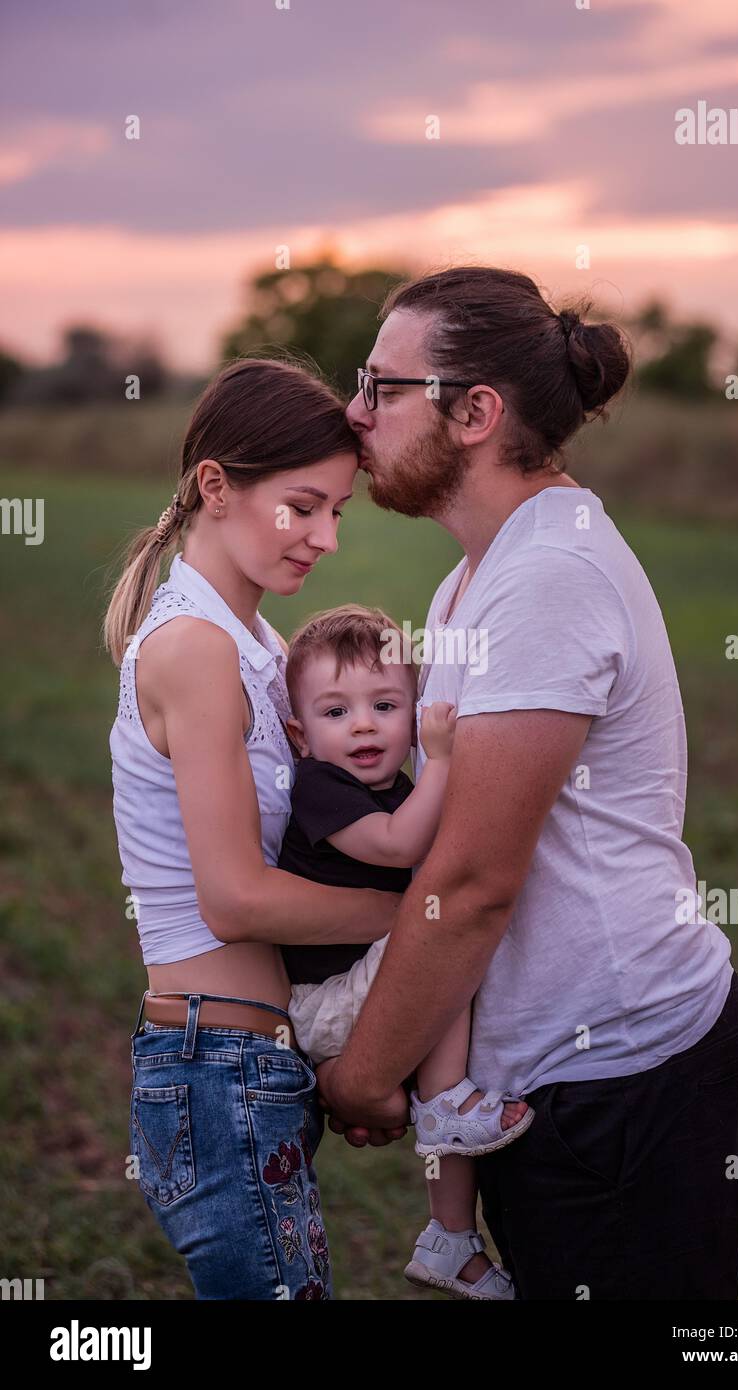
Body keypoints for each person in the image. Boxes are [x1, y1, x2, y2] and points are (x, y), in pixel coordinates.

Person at [316, 266, 738, 1300]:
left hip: (626, 1074)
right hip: (550, 1077)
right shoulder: (476, 575)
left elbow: (473, 878)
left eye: (381, 386)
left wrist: (363, 1070)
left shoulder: (548, 576)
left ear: (475, 412)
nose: (354, 412)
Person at [104, 357, 406, 1300]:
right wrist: (424, 917)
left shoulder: (265, 648)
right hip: (214, 1065)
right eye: (302, 506)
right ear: (215, 486)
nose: (324, 537)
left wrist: (354, 1052)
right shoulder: (194, 648)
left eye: (337, 513)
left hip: (257, 1059)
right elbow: (235, 898)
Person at [276, 603, 532, 1298]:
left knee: (445, 962)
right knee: (443, 942)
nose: (362, 724)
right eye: (335, 712)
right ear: (299, 734)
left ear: (411, 710)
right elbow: (396, 846)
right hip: (325, 1003)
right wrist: (444, 759)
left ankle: (447, 1237)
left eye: (383, 704)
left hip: (364, 984)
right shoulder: (319, 790)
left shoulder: (396, 788)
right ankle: (446, 1098)